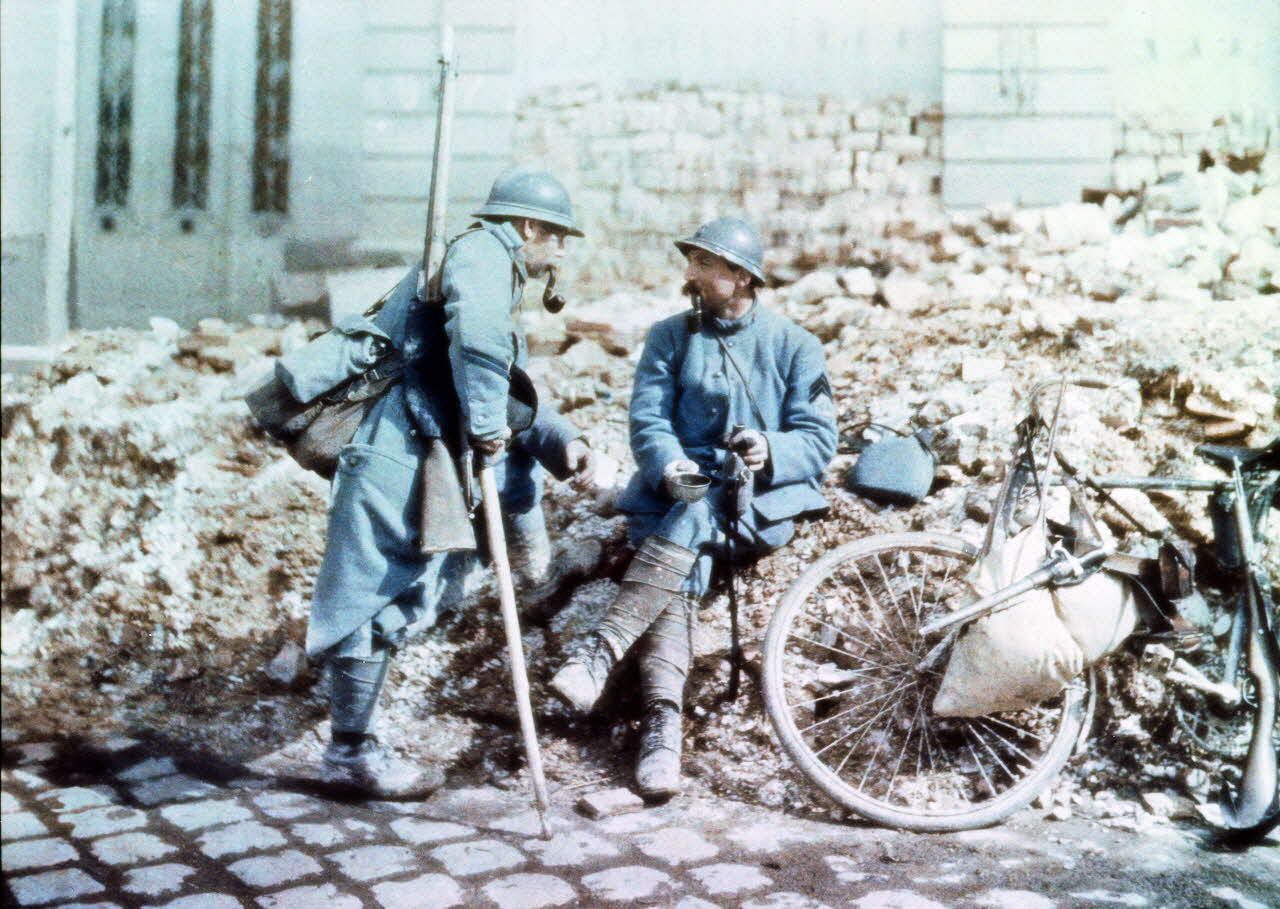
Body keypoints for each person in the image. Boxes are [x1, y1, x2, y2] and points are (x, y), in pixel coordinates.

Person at [305, 167, 597, 798]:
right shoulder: (484, 255)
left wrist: (558, 437)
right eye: (559, 237)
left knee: (398, 593)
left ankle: (352, 746)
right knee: (369, 595)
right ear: (528, 227)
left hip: (420, 450)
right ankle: (349, 755)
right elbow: (482, 346)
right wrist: (490, 426)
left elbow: (508, 382)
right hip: (394, 454)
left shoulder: (492, 264)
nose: (563, 251)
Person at [550, 216, 838, 799]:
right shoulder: (669, 337)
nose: (691, 275)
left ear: (741, 276)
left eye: (704, 264)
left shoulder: (796, 346)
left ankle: (600, 657)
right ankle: (661, 738)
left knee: (693, 518)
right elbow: (648, 419)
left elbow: (818, 439)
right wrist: (669, 463)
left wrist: (768, 448)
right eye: (691, 262)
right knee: (687, 547)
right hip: (679, 492)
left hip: (759, 499)